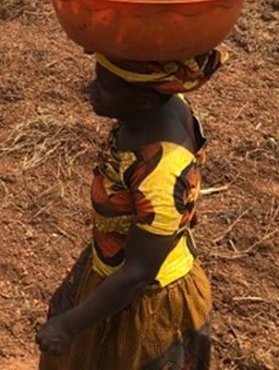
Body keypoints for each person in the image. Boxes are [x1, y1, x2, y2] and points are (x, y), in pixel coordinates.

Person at [36, 50, 226, 370]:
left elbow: (138, 274)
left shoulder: (162, 171)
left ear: (144, 101)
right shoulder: (161, 103)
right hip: (112, 272)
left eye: (105, 85)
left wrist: (68, 326)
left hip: (146, 303)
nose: (91, 88)